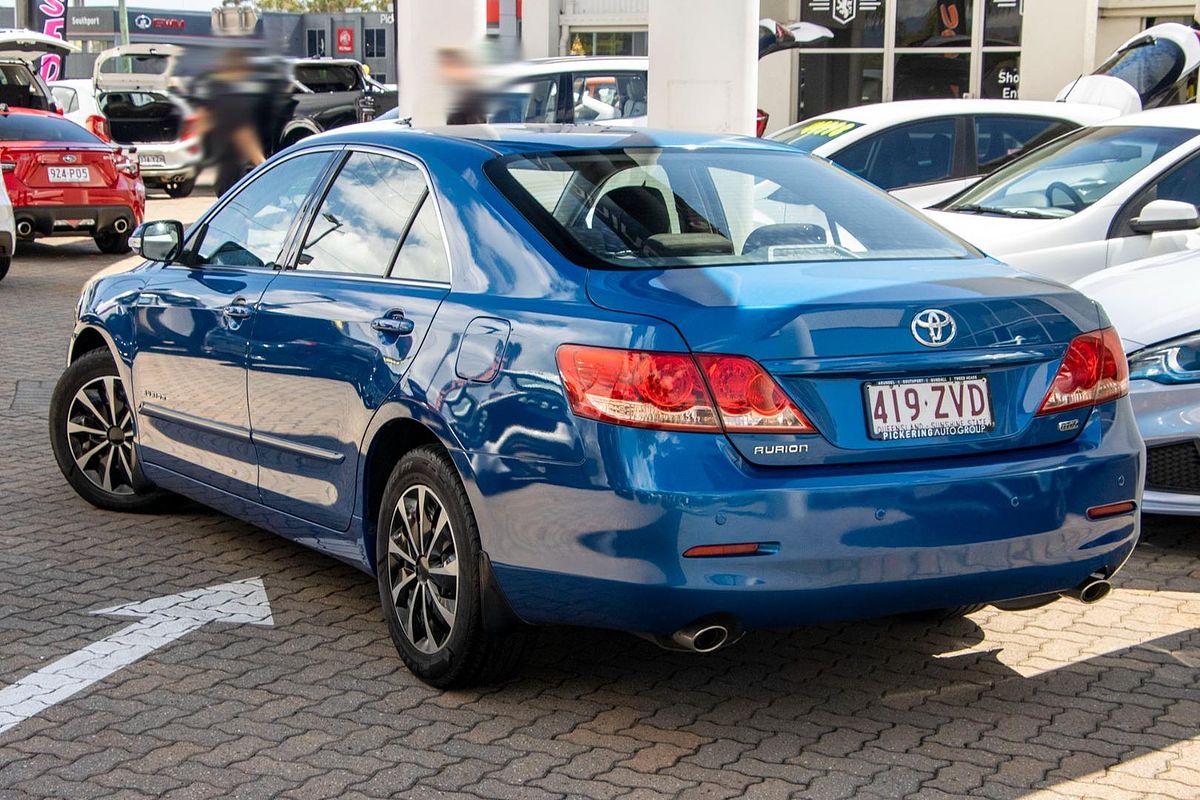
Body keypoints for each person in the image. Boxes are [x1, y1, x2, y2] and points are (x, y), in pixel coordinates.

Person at [192, 48, 269, 196]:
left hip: (224, 171)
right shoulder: (232, 97)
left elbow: (201, 124)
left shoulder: (216, 92)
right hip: (235, 174)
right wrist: (264, 167)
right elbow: (243, 135)